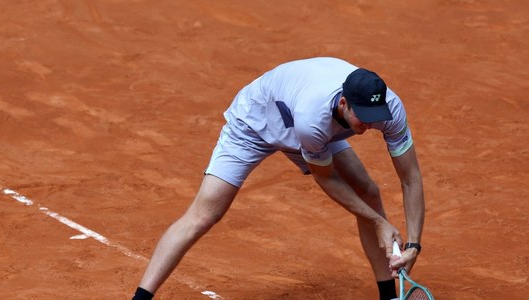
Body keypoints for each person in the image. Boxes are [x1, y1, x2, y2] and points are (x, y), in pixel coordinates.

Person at [132, 57, 425, 300]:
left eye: (375, 115)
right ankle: (141, 297)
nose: (370, 123)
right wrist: (378, 222)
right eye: (363, 116)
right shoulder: (313, 119)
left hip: (313, 127)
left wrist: (413, 244)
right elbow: (326, 177)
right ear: (344, 104)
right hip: (255, 123)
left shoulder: (389, 110)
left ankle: (389, 295)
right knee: (205, 214)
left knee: (368, 192)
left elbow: (410, 176)